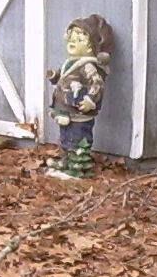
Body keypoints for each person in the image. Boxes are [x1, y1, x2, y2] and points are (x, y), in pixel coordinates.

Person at [46, 14, 111, 179]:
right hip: (65, 109)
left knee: (78, 138)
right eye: (71, 38)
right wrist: (54, 76)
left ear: (90, 47)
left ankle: (79, 165)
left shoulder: (88, 66)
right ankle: (66, 160)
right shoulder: (69, 62)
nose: (73, 42)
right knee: (65, 137)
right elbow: (64, 77)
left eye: (79, 40)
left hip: (79, 112)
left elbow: (97, 84)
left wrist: (90, 100)